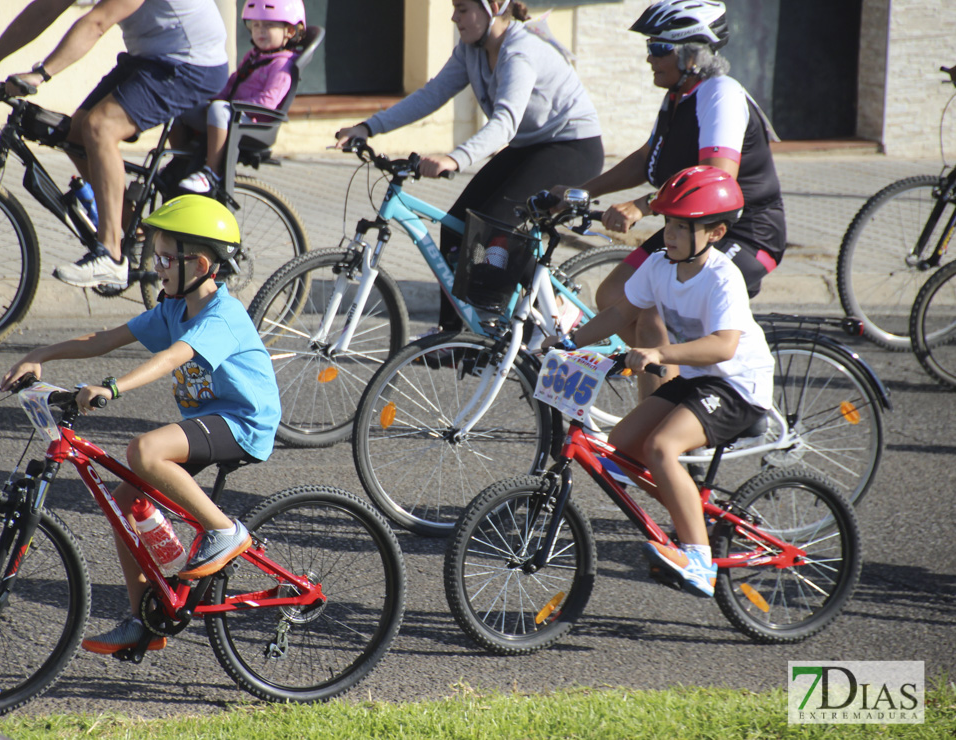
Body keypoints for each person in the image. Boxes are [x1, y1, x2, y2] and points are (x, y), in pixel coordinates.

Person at [0, 194, 280, 654]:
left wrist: (111, 388)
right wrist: (40, 354)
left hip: (243, 422)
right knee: (124, 501)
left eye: (167, 258)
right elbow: (105, 338)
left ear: (201, 263)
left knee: (144, 451)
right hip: (211, 419)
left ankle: (225, 531)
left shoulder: (221, 316)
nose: (158, 267)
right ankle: (143, 619)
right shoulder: (172, 307)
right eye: (158, 257)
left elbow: (173, 357)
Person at [546, 166, 773, 598]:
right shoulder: (657, 265)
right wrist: (565, 344)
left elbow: (724, 347)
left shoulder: (723, 278)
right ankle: (692, 513)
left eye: (681, 226)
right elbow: (620, 314)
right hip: (696, 379)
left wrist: (658, 354)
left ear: (715, 232)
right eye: (666, 222)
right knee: (623, 445)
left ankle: (700, 563)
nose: (668, 233)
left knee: (661, 447)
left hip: (736, 386)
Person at [554, 0, 785, 397]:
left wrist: (641, 206)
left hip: (742, 231)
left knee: (662, 316)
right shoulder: (679, 96)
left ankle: (694, 411)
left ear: (691, 56)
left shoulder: (721, 95)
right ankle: (670, 401)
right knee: (617, 298)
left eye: (659, 48)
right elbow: (648, 159)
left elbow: (715, 182)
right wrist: (583, 192)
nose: (649, 58)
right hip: (688, 225)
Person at [335, 0, 604, 334]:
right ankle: (454, 338)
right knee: (456, 226)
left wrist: (455, 158)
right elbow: (431, 94)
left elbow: (505, 122)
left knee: (492, 229)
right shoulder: (470, 51)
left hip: (572, 148)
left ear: (492, 9)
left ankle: (558, 310)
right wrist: (368, 127)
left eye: (462, 8)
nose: (454, 17)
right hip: (528, 147)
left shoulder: (519, 53)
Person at [0, 0, 229, 290]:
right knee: (75, 133)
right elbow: (45, 8)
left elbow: (97, 23)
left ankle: (110, 255)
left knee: (101, 127)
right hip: (150, 59)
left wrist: (41, 74)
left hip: (192, 64)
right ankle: (131, 232)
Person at [175, 0, 306, 196]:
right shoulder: (254, 56)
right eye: (256, 25)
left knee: (219, 111)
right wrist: (211, 98)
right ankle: (182, 161)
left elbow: (268, 103)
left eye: (269, 25)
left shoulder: (282, 66)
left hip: (252, 122)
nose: (260, 31)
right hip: (233, 113)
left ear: (290, 31)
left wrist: (229, 105)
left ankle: (211, 172)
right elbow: (231, 83)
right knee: (179, 107)